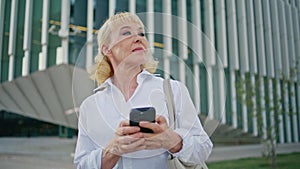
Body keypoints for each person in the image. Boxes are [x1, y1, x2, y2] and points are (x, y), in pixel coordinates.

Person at [74, 12, 212, 169]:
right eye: (126, 32)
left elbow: (203, 149)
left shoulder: (173, 90)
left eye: (141, 33)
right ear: (107, 49)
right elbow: (81, 165)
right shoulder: (90, 106)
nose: (139, 38)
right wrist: (113, 150)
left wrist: (171, 140)